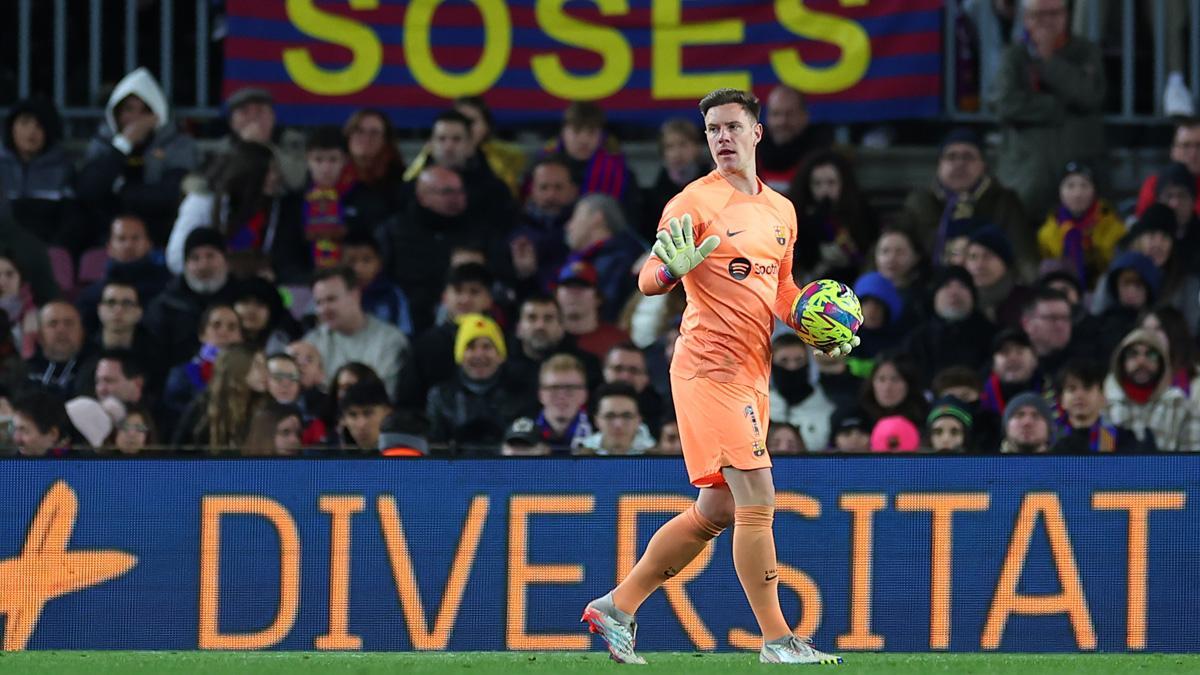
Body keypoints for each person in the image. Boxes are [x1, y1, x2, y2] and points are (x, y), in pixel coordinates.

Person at [581, 88, 851, 665]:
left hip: (753, 369)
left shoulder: (782, 211)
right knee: (759, 496)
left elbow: (779, 289)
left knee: (720, 509)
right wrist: (668, 273)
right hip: (708, 365)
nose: (722, 138)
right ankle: (778, 639)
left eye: (731, 127)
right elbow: (649, 276)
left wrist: (815, 323)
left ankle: (618, 607)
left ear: (757, 133)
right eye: (712, 130)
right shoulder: (691, 203)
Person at [989, 0, 1106, 219]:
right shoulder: (1014, 56)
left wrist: (1049, 61)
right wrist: (1055, 106)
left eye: (1054, 14)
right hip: (1026, 178)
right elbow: (1004, 104)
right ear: (1025, 18)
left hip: (1078, 180)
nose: (1047, 22)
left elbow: (1090, 95)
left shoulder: (1085, 51)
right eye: (1038, 15)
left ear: (1066, 15)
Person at [76, 67, 198, 246]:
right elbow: (89, 190)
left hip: (158, 234)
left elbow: (170, 193)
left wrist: (121, 191)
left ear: (158, 114)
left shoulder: (177, 143)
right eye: (129, 109)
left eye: (145, 111)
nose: (136, 118)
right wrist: (123, 144)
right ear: (116, 113)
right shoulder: (103, 142)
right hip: (107, 234)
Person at [898, 127, 1030, 280]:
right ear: (939, 165)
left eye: (968, 157)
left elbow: (1024, 256)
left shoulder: (1004, 201)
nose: (959, 163)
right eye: (951, 157)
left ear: (983, 165)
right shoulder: (920, 202)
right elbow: (891, 243)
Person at [302, 266, 409, 399]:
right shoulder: (311, 342)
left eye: (331, 299)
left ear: (355, 295)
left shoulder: (390, 340)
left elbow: (382, 395)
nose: (324, 309)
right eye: (318, 303)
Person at [787, 150, 879, 283]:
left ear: (843, 184)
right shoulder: (798, 218)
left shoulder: (862, 214)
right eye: (817, 184)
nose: (825, 190)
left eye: (831, 183)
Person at [0, 97, 79, 249]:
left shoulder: (63, 169)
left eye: (39, 126)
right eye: (24, 123)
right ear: (11, 127)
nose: (31, 131)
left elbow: (71, 223)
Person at [1036, 161, 1125, 286]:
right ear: (1060, 191)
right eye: (1070, 186)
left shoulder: (1114, 228)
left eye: (1084, 185)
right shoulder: (1047, 233)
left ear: (1094, 190)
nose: (1077, 194)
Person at [1053, 359, 1140, 453]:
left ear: (1103, 397)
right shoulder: (1050, 439)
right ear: (1061, 400)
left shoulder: (1123, 439)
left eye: (1087, 387)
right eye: (1072, 389)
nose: (1079, 395)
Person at [573, 381, 656, 455]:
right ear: (596, 421)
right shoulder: (581, 455)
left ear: (638, 420)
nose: (618, 424)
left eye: (626, 416)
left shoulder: (656, 456)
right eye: (610, 416)